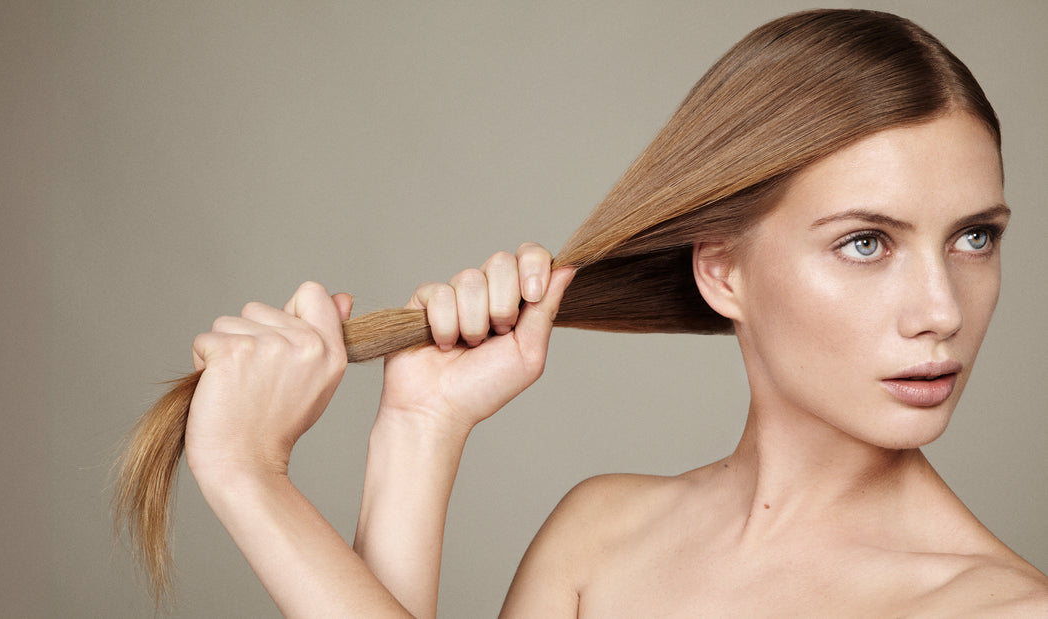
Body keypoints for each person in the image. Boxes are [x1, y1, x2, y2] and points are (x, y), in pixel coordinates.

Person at [120, 8, 1048, 616]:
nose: (941, 310)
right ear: (722, 270)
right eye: (867, 242)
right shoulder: (601, 532)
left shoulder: (993, 607)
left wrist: (249, 476)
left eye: (976, 238)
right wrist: (419, 428)